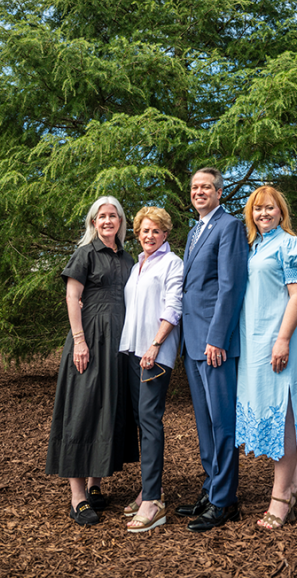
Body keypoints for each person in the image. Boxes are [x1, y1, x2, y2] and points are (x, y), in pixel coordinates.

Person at [46, 196, 138, 525]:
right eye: (102, 216)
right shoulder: (85, 254)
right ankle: (77, 496)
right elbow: (73, 297)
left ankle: (96, 485)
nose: (108, 221)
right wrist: (80, 342)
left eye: (113, 216)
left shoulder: (129, 259)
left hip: (118, 345)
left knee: (107, 411)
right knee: (82, 411)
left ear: (121, 222)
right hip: (88, 342)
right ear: (93, 222)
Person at [235, 185, 297, 529]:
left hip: (277, 340)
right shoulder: (255, 246)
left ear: (281, 211)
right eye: (257, 209)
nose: (263, 214)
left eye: (269, 208)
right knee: (270, 413)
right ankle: (294, 488)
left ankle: (279, 497)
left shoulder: (288, 245)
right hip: (253, 342)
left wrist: (282, 339)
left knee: (282, 415)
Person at [175, 167, 248, 532]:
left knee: (222, 423)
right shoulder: (194, 231)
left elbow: (230, 287)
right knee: (205, 425)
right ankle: (210, 489)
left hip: (214, 344)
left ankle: (225, 501)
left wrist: (217, 337)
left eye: (206, 187)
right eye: (194, 187)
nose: (199, 192)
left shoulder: (229, 226)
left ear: (219, 193)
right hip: (193, 343)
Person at [119, 206, 183, 533]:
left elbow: (173, 307)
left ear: (165, 234)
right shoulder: (137, 266)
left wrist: (155, 344)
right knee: (141, 421)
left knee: (150, 420)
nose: (149, 236)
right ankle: (146, 488)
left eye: (156, 231)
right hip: (133, 352)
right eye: (144, 230)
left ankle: (154, 501)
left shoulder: (172, 263)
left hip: (154, 355)